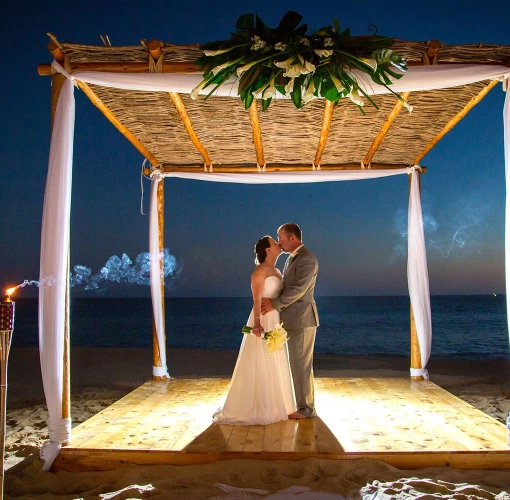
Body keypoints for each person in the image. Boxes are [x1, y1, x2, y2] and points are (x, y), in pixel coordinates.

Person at [213, 236, 296, 425]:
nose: (278, 244)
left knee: (276, 356)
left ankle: (279, 404)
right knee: (261, 357)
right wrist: (257, 323)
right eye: (274, 243)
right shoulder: (259, 271)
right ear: (268, 250)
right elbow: (257, 300)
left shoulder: (276, 270)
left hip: (275, 318)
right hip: (263, 316)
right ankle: (261, 405)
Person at [262, 223, 319, 419]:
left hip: (302, 320)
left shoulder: (307, 259)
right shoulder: (292, 259)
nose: (279, 242)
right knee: (294, 364)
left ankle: (307, 409)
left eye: (281, 238)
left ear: (292, 238)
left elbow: (298, 290)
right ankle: (298, 404)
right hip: (292, 320)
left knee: (301, 364)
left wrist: (274, 304)